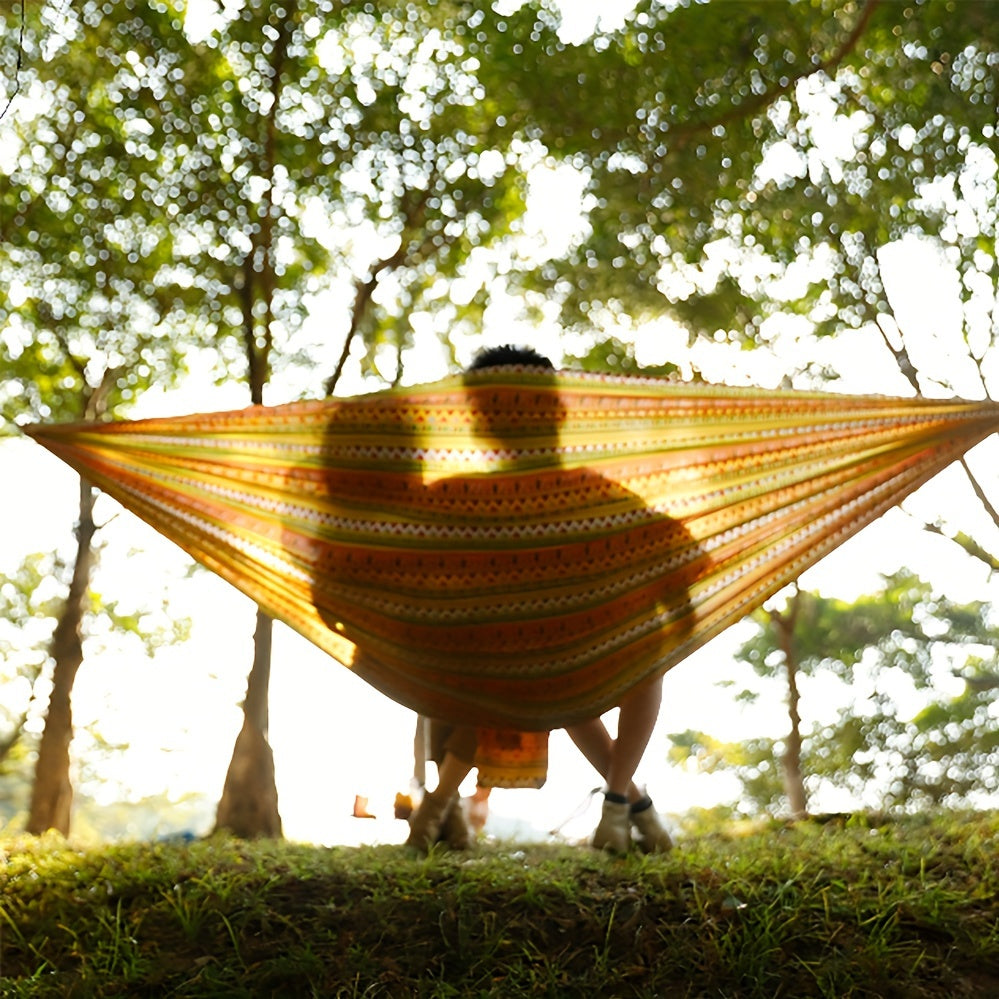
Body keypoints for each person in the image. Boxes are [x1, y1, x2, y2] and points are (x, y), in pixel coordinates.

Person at [405, 344, 683, 854]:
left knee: (562, 668)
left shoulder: (465, 497)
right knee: (635, 651)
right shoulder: (594, 493)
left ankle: (439, 806)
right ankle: (623, 804)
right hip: (541, 666)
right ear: (558, 411)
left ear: (477, 423)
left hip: (527, 667)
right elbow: (681, 563)